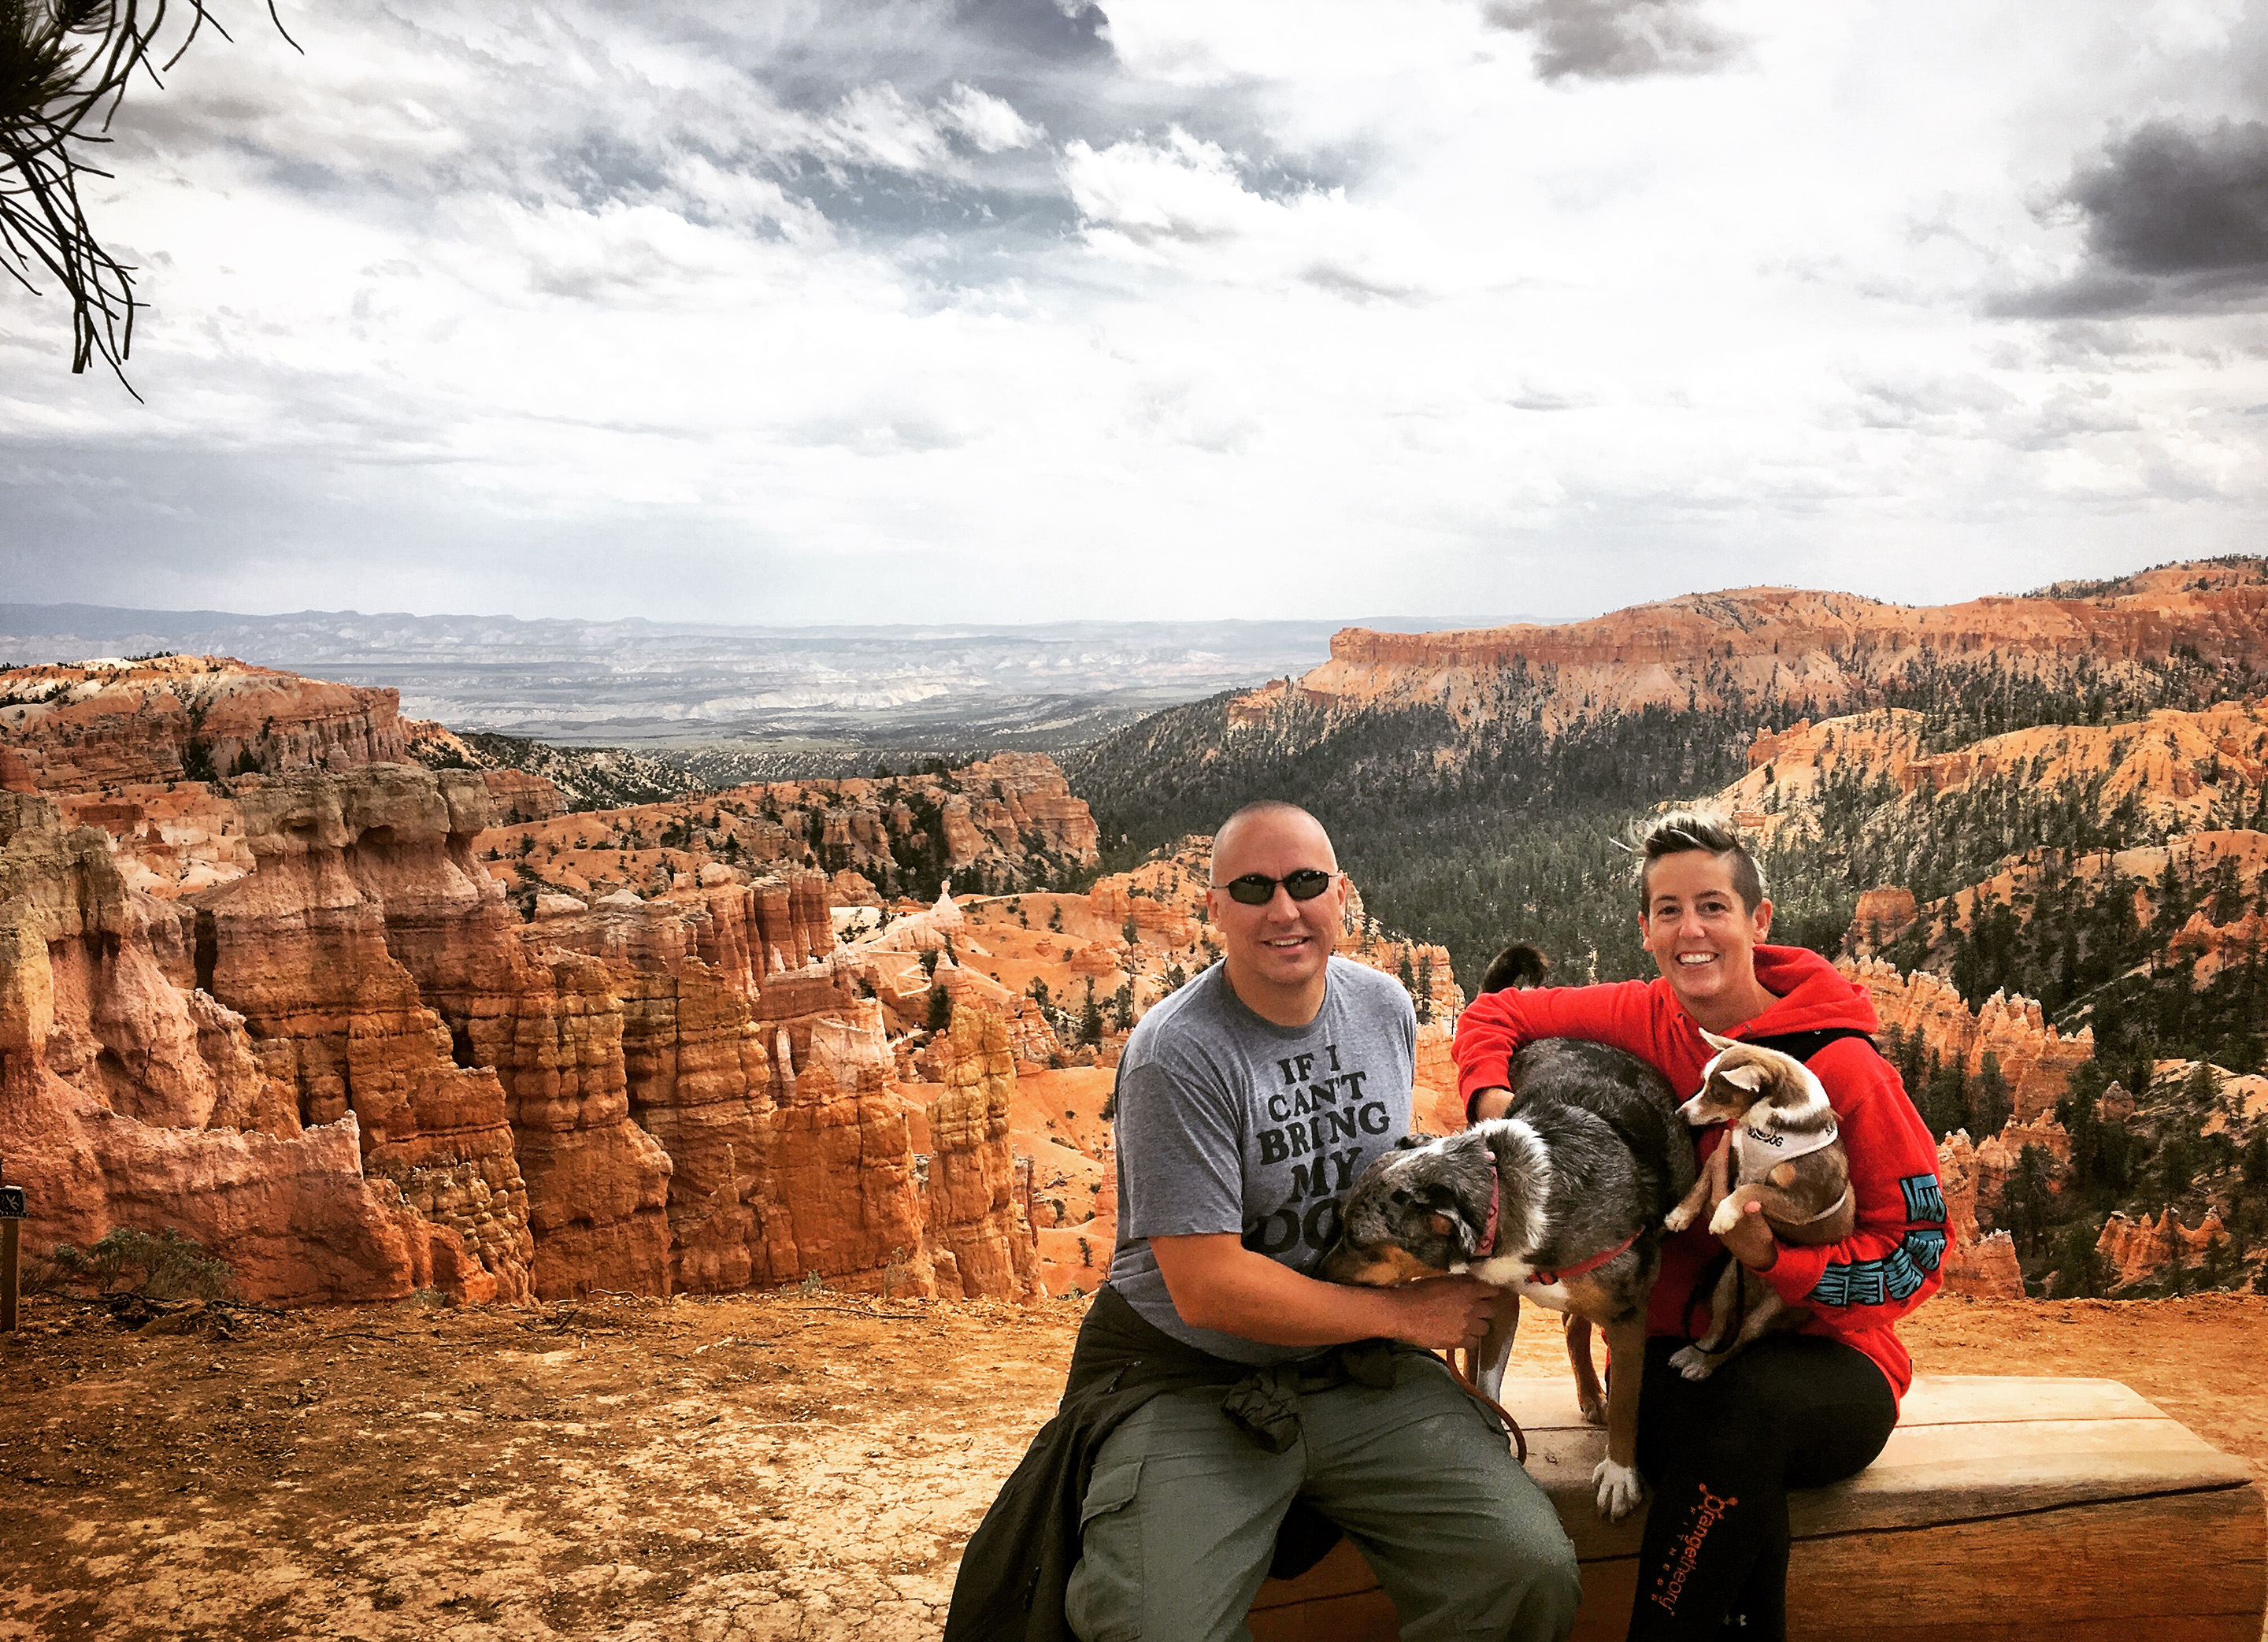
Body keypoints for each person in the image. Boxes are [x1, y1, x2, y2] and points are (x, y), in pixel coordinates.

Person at [946, 800, 1580, 1642]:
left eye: (1305, 883)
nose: (1284, 909)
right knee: (1149, 1626)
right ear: (1214, 910)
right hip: (1196, 1378)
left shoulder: (1383, 1007)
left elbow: (1396, 1182)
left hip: (1356, 1369)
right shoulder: (1179, 1052)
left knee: (1527, 1571)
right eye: (1253, 888)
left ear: (1340, 894)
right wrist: (1407, 1318)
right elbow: (1207, 1289)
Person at [1453, 812, 1947, 1642]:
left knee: (1741, 1422)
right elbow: (1496, 1014)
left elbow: (1917, 1258)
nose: (1692, 931)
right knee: (1721, 1456)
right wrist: (1494, 1109)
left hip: (1829, 1360)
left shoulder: (1839, 1065)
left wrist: (1782, 1264)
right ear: (1645, 930)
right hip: (1673, 1353)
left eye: (1713, 906)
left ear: (1758, 920)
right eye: (1670, 910)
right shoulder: (1645, 1014)